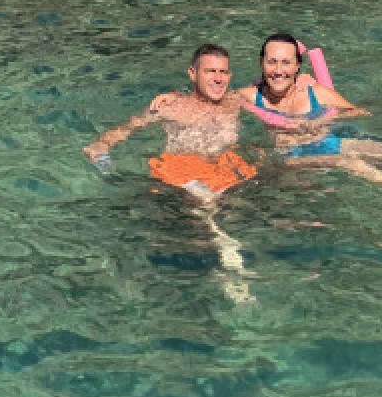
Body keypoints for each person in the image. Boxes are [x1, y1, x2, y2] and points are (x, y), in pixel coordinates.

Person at [83, 43, 258, 303]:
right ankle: (231, 265)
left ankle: (224, 255)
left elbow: (276, 86)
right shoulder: (171, 106)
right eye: (210, 71)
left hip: (223, 171)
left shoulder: (235, 101)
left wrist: (305, 81)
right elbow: (129, 127)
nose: (218, 78)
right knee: (207, 206)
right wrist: (102, 144)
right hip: (182, 173)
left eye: (223, 72)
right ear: (192, 73)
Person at [237, 33, 382, 209]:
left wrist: (321, 120)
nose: (278, 70)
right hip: (289, 156)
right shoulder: (249, 96)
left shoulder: (316, 92)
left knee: (379, 152)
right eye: (272, 62)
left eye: (286, 63)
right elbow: (221, 103)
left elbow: (359, 112)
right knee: (349, 162)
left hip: (327, 142)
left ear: (297, 66)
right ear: (262, 63)